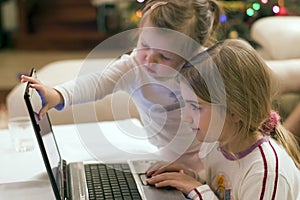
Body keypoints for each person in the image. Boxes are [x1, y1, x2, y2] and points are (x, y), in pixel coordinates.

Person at [21, 0, 223, 171]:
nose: (149, 59)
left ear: (191, 54)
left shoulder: (203, 66)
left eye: (164, 56)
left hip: (215, 155)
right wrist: (59, 94)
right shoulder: (133, 67)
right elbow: (98, 83)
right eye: (144, 45)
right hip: (169, 159)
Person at [146, 39, 300, 199]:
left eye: (196, 107)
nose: (185, 117)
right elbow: (223, 189)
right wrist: (189, 178)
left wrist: (197, 190)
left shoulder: (265, 173)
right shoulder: (217, 144)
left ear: (235, 111)